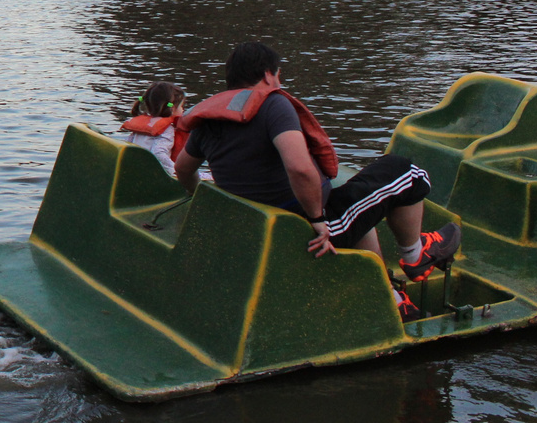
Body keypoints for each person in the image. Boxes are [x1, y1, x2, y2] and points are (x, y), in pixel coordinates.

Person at [173, 42, 460, 321]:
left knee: (357, 206)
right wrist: (317, 219)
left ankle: (391, 300)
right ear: (268, 75)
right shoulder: (273, 105)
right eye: (278, 74)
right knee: (407, 173)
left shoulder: (211, 117)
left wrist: (204, 196)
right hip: (301, 230)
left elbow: (183, 168)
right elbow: (299, 168)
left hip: (258, 225)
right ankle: (415, 255)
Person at [118, 82, 186, 177]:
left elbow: (128, 145)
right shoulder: (167, 129)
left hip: (135, 170)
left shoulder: (144, 125)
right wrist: (176, 171)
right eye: (181, 106)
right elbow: (158, 153)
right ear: (173, 108)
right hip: (152, 175)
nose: (183, 110)